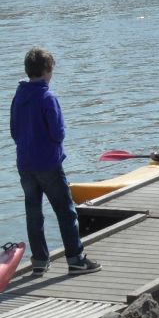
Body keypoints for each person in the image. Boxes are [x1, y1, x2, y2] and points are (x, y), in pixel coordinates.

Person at [10, 48, 101, 275]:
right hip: (48, 164)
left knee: (33, 212)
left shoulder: (19, 96)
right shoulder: (48, 97)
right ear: (46, 70)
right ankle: (76, 259)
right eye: (51, 69)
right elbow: (58, 133)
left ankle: (40, 260)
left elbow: (13, 131)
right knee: (65, 211)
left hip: (25, 164)